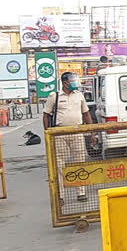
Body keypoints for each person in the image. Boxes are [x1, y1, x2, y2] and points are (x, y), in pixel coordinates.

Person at [43, 72, 96, 202]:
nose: (74, 83)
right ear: (64, 82)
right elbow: (46, 115)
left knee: (79, 162)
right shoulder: (54, 96)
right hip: (59, 133)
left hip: (77, 132)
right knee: (59, 165)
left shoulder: (79, 95)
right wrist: (47, 133)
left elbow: (86, 114)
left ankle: (81, 192)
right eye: (72, 80)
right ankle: (60, 195)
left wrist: (92, 132)